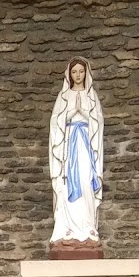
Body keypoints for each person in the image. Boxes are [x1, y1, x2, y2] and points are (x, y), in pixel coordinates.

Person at [49, 56, 104, 244]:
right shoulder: (64, 96)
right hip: (69, 145)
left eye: (81, 71)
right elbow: (56, 123)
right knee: (67, 184)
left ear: (86, 73)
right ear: (69, 74)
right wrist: (73, 113)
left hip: (86, 145)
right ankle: (69, 227)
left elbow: (98, 122)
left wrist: (85, 114)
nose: (78, 75)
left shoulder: (92, 96)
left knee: (86, 181)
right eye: (74, 72)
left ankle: (88, 225)